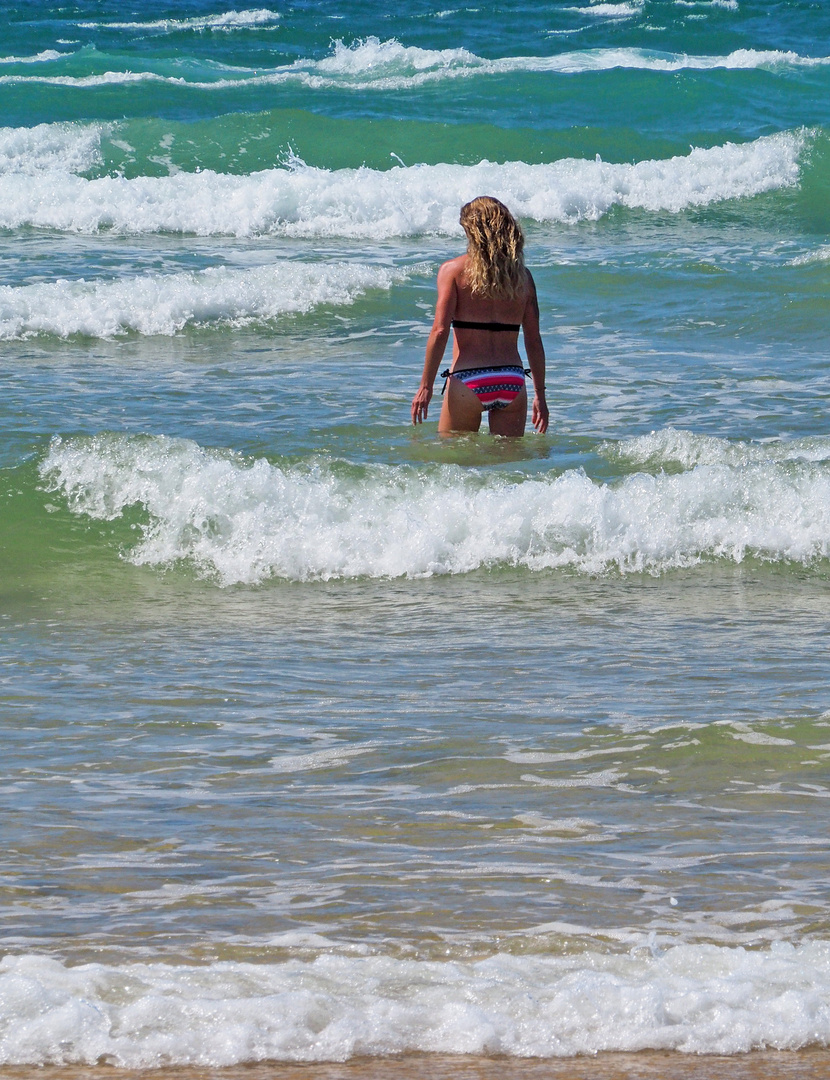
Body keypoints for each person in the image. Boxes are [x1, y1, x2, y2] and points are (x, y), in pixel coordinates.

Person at [411, 196, 548, 436]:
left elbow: (440, 331)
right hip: (512, 381)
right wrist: (540, 395)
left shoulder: (452, 271)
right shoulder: (523, 277)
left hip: (469, 380)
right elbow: (534, 340)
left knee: (454, 465)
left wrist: (426, 387)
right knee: (508, 467)